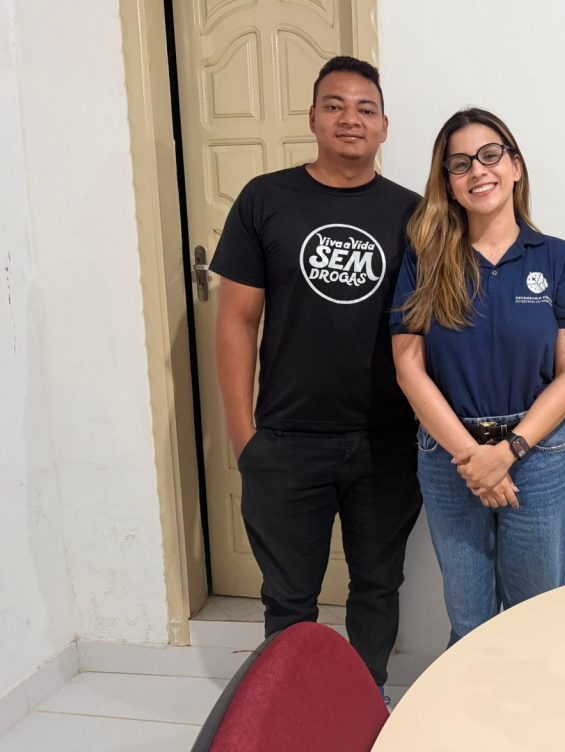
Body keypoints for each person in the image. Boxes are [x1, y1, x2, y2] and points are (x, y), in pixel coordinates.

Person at [210, 56, 421, 688]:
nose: (350, 119)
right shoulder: (265, 199)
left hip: (386, 440)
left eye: (365, 108)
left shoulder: (415, 215)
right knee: (288, 597)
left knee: (378, 585)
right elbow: (237, 320)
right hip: (285, 440)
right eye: (334, 105)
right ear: (312, 118)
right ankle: (290, 708)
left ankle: (367, 700)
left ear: (384, 126)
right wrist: (244, 435)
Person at [390, 108, 565, 644]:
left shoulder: (558, 259)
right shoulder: (423, 260)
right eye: (460, 164)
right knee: (470, 623)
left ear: (516, 166)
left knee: (536, 619)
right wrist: (472, 457)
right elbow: (409, 368)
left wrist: (508, 452)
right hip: (449, 455)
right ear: (448, 183)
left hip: (539, 455)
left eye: (490, 155)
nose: (478, 171)